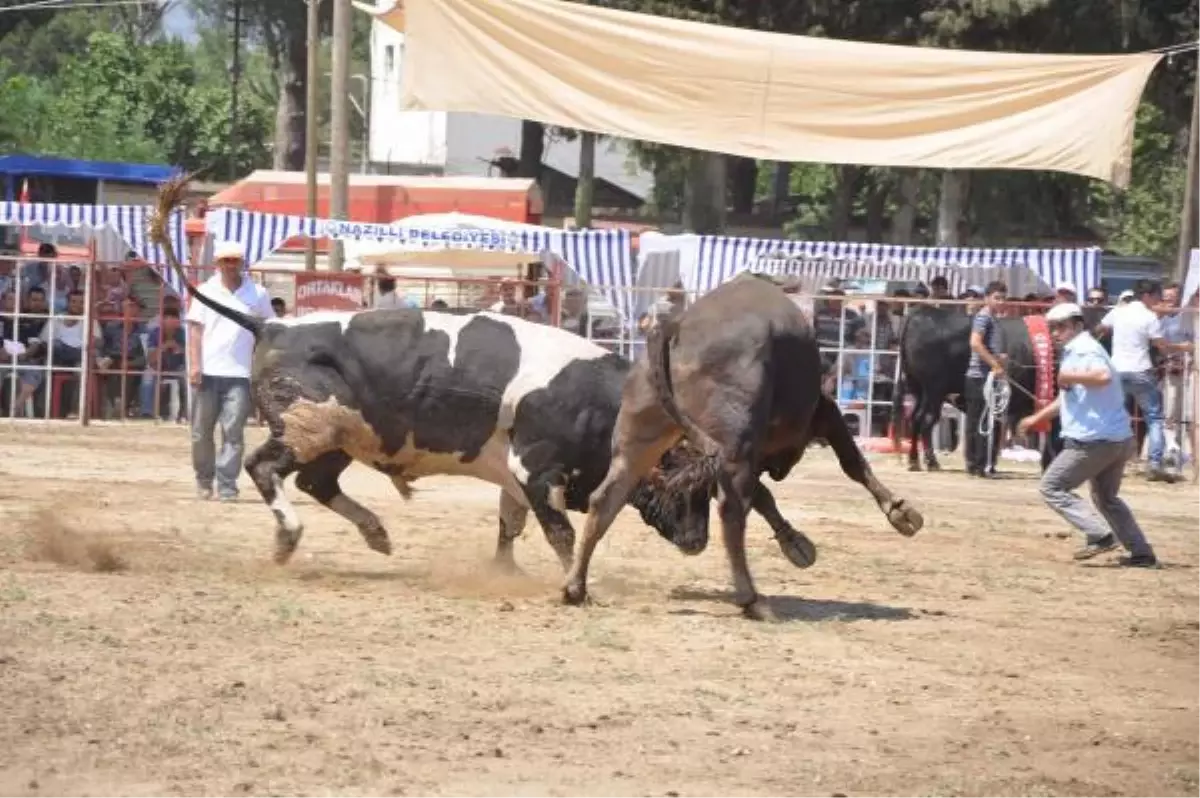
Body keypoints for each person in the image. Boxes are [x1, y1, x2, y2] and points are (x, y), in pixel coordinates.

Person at [1018, 303, 1157, 568]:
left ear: (1077, 325)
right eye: (1052, 328)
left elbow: (1102, 376)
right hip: (1116, 438)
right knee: (1107, 498)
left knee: (1052, 487)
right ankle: (1141, 552)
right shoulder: (1079, 351)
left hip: (1094, 440)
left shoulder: (1084, 349)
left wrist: (1068, 374)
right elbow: (1068, 398)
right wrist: (1036, 419)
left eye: (1061, 327)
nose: (1055, 333)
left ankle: (1100, 534)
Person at [187, 240, 275, 501]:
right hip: (209, 370)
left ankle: (227, 485)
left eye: (234, 260)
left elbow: (268, 329)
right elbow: (195, 330)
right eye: (225, 261)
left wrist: (263, 366)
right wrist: (194, 364)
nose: (229, 266)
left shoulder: (257, 294)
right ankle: (204, 479)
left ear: (242, 262)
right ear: (217, 264)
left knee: (233, 432)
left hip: (241, 372)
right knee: (201, 432)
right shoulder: (205, 290)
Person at [1097, 279, 1188, 482]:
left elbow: (1100, 327)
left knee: (1113, 414)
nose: (1158, 301)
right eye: (1156, 296)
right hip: (1140, 370)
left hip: (1117, 370)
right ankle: (1154, 463)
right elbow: (1161, 345)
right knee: (1154, 418)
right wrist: (1182, 347)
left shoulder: (1118, 311)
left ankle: (1106, 460)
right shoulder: (1149, 317)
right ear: (1147, 296)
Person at [963, 280, 1008, 478]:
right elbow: (975, 343)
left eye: (1003, 298)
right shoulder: (984, 317)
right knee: (980, 421)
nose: (1000, 302)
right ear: (987, 298)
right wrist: (994, 363)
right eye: (997, 298)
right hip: (979, 376)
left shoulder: (992, 319)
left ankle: (977, 463)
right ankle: (978, 464)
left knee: (980, 420)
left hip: (985, 374)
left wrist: (999, 358)